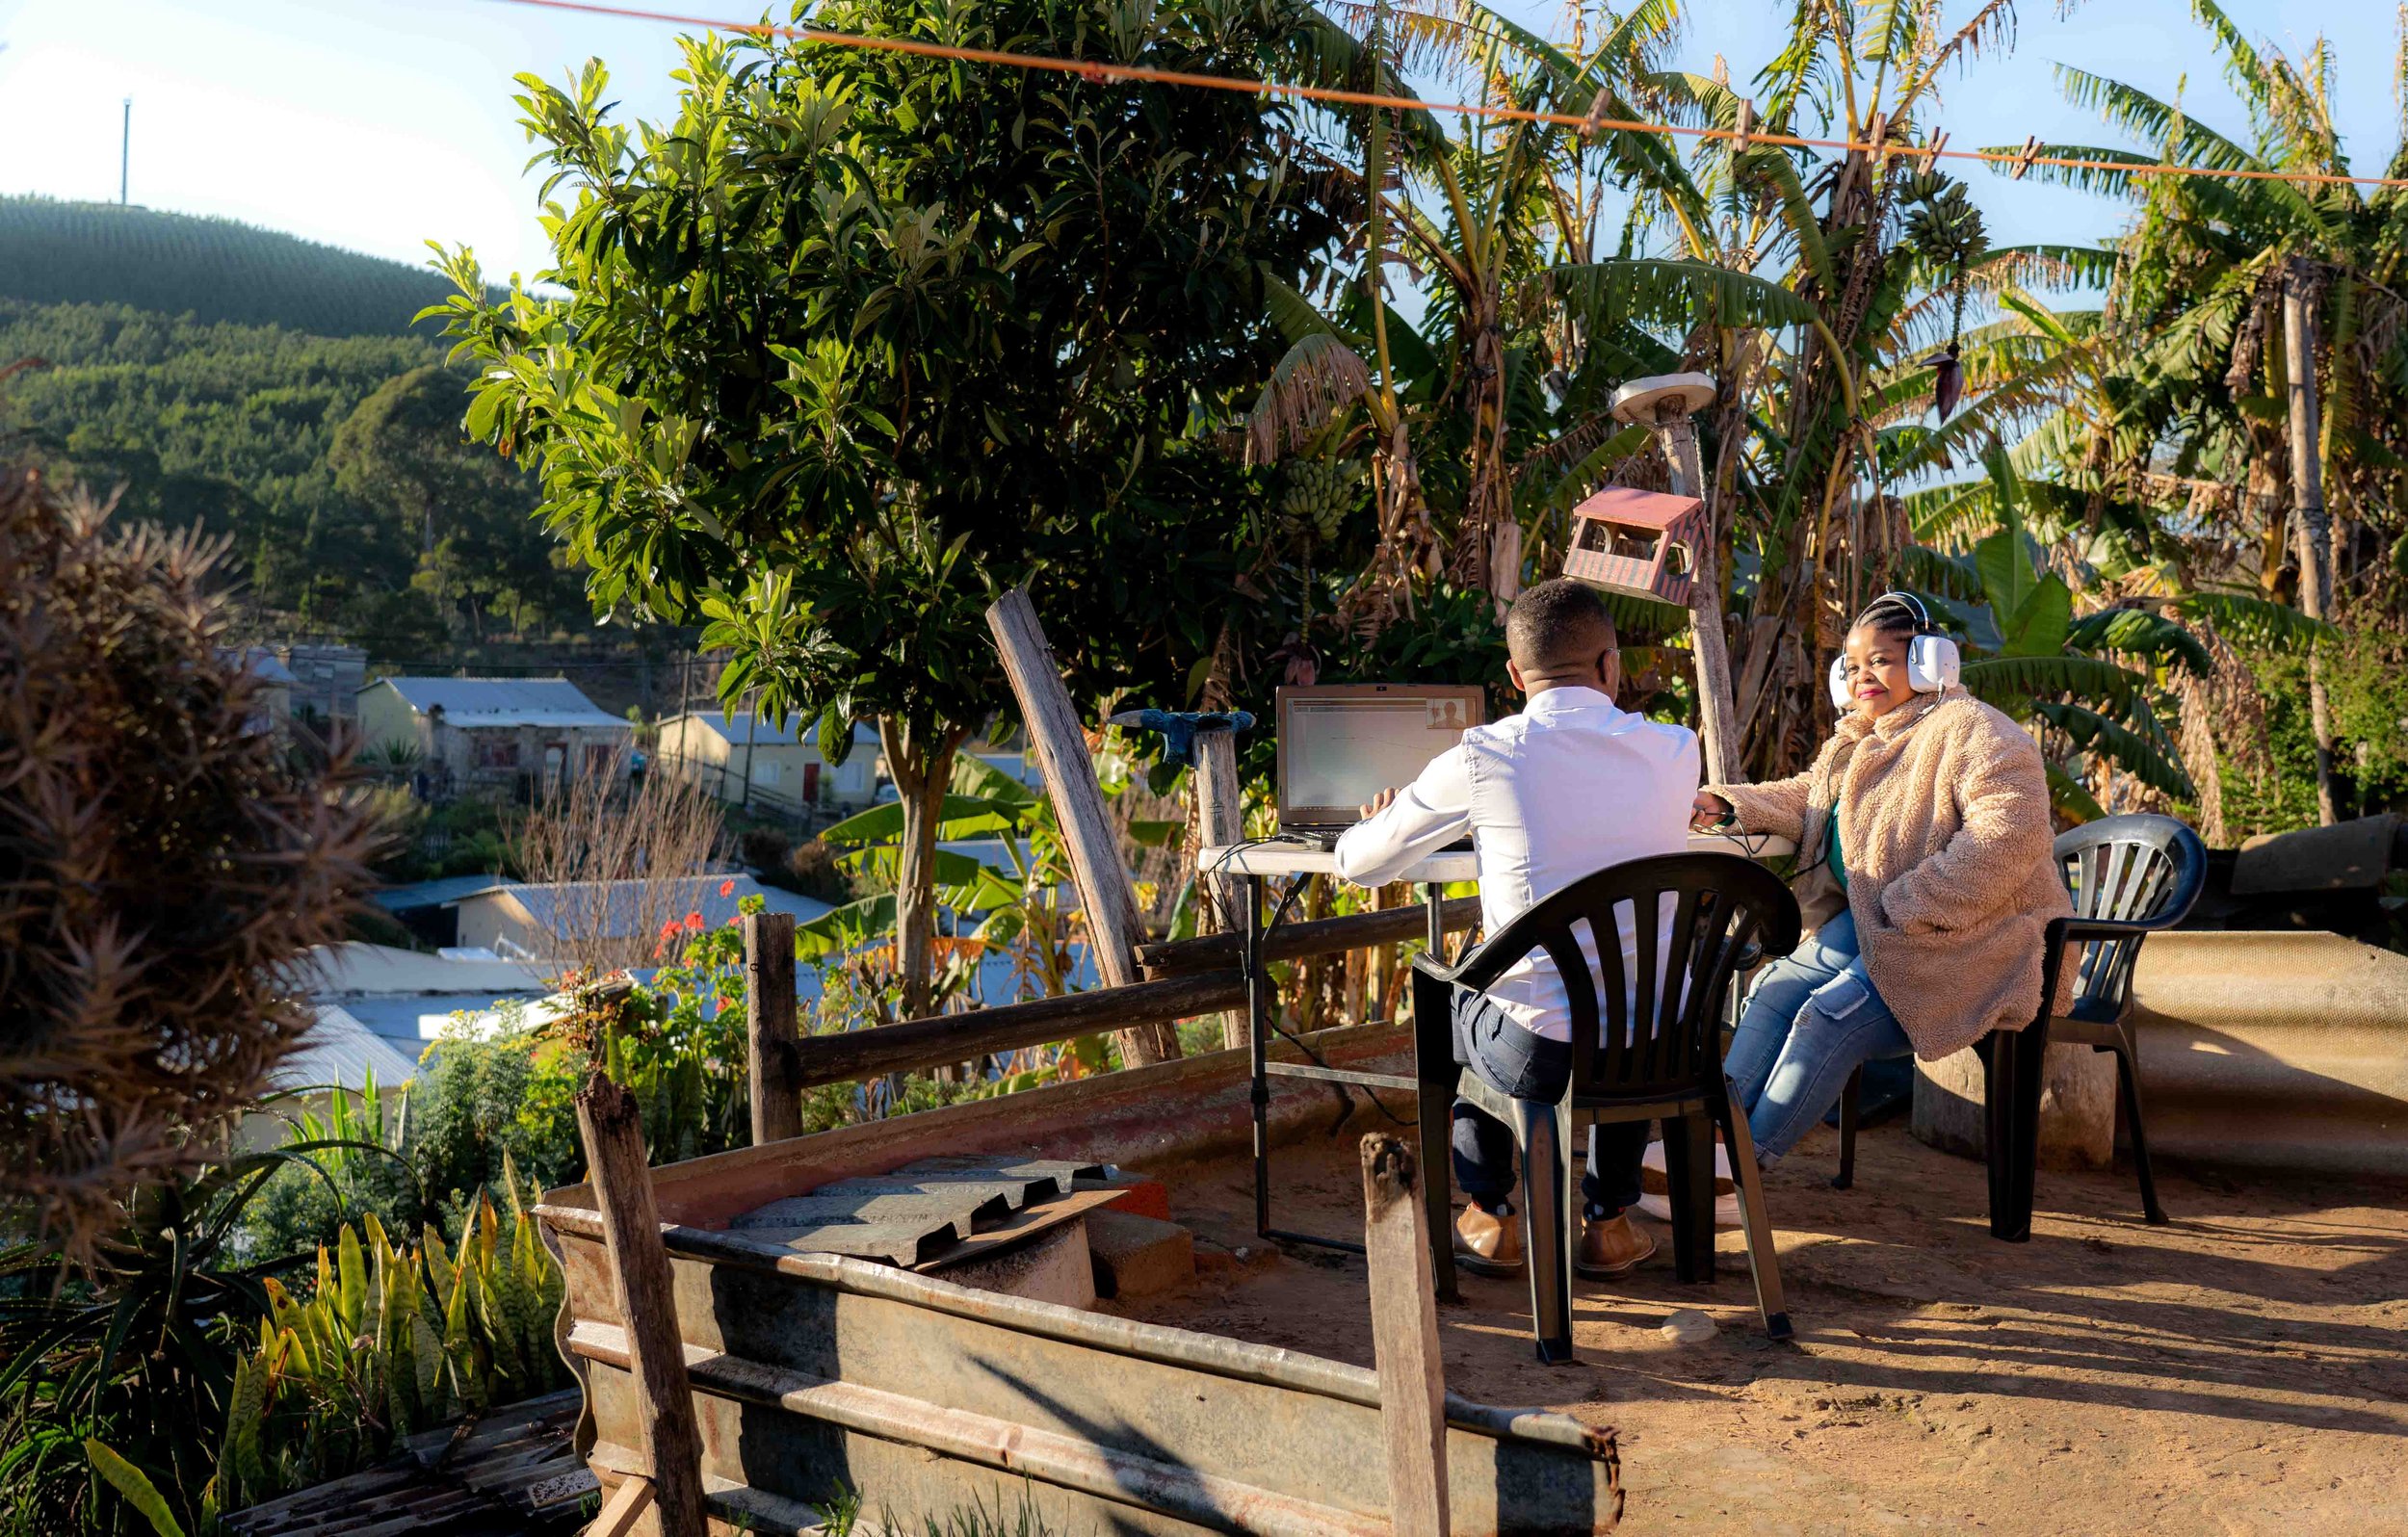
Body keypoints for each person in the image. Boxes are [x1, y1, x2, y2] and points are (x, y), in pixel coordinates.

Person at [1335, 579, 1698, 1279]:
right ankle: (1609, 1222)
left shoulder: (1484, 755)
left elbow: (1361, 864)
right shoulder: (1678, 749)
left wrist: (1379, 818)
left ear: (1514, 675)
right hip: (1659, 1044)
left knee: (1462, 990)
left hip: (1541, 1055)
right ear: (1611, 665)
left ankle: (1492, 1215)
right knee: (1628, 989)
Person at [1690, 592, 2074, 1166]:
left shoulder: (1978, 731)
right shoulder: (1858, 740)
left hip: (1977, 940)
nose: (1862, 676)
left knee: (1827, 1019)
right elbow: (1812, 797)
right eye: (1851, 666)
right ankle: (1710, 1140)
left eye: (1881, 660)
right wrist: (1726, 804)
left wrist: (1907, 904)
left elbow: (2008, 838)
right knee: (1772, 991)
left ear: (1928, 662)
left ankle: (1739, 1168)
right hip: (1881, 924)